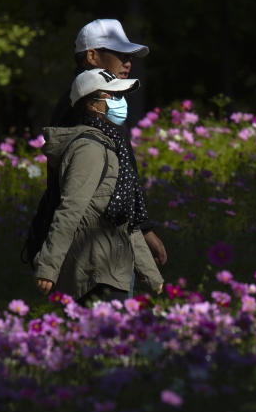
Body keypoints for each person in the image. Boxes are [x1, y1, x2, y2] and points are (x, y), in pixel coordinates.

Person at [34, 68, 163, 302]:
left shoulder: (110, 145)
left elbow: (124, 220)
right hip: (93, 274)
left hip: (112, 271)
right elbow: (70, 209)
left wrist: (152, 277)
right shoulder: (89, 149)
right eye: (113, 96)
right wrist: (48, 267)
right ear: (92, 105)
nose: (120, 102)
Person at [49, 18, 167, 268]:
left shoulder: (105, 105)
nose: (128, 62)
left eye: (130, 56)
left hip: (112, 245)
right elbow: (74, 197)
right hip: (92, 253)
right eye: (119, 54)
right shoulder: (81, 109)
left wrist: (143, 229)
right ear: (92, 56)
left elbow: (122, 176)